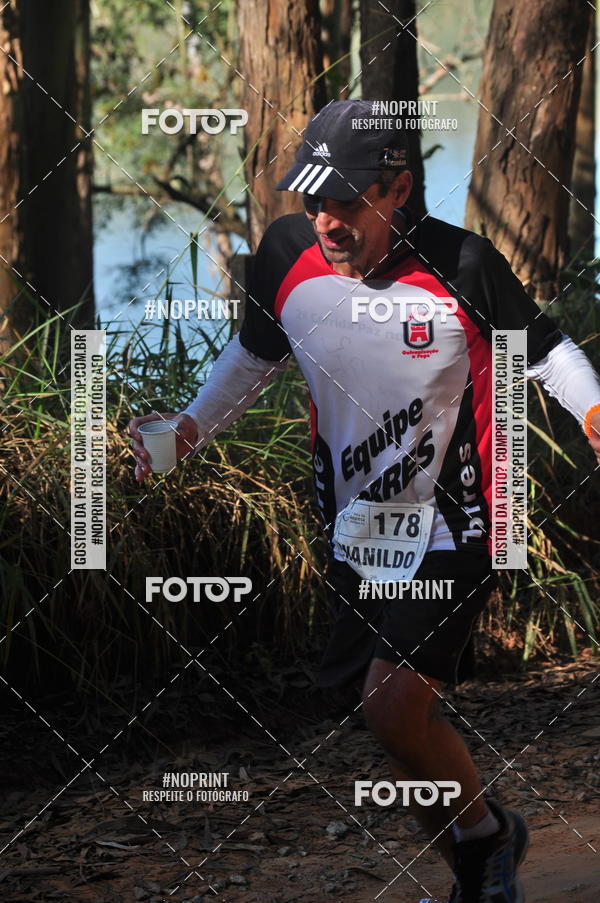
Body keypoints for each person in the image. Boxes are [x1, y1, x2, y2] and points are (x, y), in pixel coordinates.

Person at [129, 100, 600, 903]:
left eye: (347, 201)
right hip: (358, 528)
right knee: (393, 728)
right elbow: (255, 354)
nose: (326, 219)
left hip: (461, 520)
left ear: (398, 190)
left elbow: (547, 352)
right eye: (315, 199)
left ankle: (486, 844)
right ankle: (480, 852)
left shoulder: (464, 266)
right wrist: (191, 426)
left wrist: (592, 413)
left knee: (390, 705)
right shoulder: (285, 255)